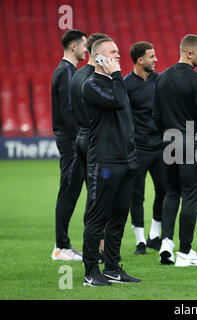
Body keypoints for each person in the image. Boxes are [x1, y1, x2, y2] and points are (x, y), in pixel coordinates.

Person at [82, 38, 140, 286]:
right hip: (104, 162)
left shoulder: (117, 84)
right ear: (98, 58)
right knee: (97, 218)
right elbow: (116, 101)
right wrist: (116, 74)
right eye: (112, 52)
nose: (118, 56)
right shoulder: (92, 84)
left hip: (125, 161)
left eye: (117, 52)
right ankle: (91, 271)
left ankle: (113, 268)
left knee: (118, 218)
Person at [153, 34, 197, 267]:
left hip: (169, 142)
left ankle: (166, 242)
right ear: (189, 53)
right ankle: (185, 252)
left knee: (171, 192)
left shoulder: (163, 78)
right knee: (190, 196)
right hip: (192, 144)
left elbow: (156, 114)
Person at [71, 33, 111, 262]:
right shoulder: (94, 78)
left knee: (94, 194)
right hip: (95, 140)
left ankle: (99, 248)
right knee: (100, 196)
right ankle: (97, 251)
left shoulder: (78, 76)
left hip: (82, 137)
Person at [124, 41, 167, 255]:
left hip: (160, 147)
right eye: (152, 56)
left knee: (164, 190)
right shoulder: (126, 85)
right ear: (140, 60)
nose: (156, 59)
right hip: (138, 148)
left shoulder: (159, 81)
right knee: (136, 195)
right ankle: (140, 241)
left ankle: (154, 236)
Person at [51, 29, 87, 261]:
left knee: (71, 191)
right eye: (84, 45)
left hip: (72, 140)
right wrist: (80, 138)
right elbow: (67, 111)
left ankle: (63, 245)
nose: (86, 49)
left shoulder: (69, 71)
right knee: (68, 192)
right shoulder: (66, 72)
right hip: (71, 142)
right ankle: (60, 247)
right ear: (74, 47)